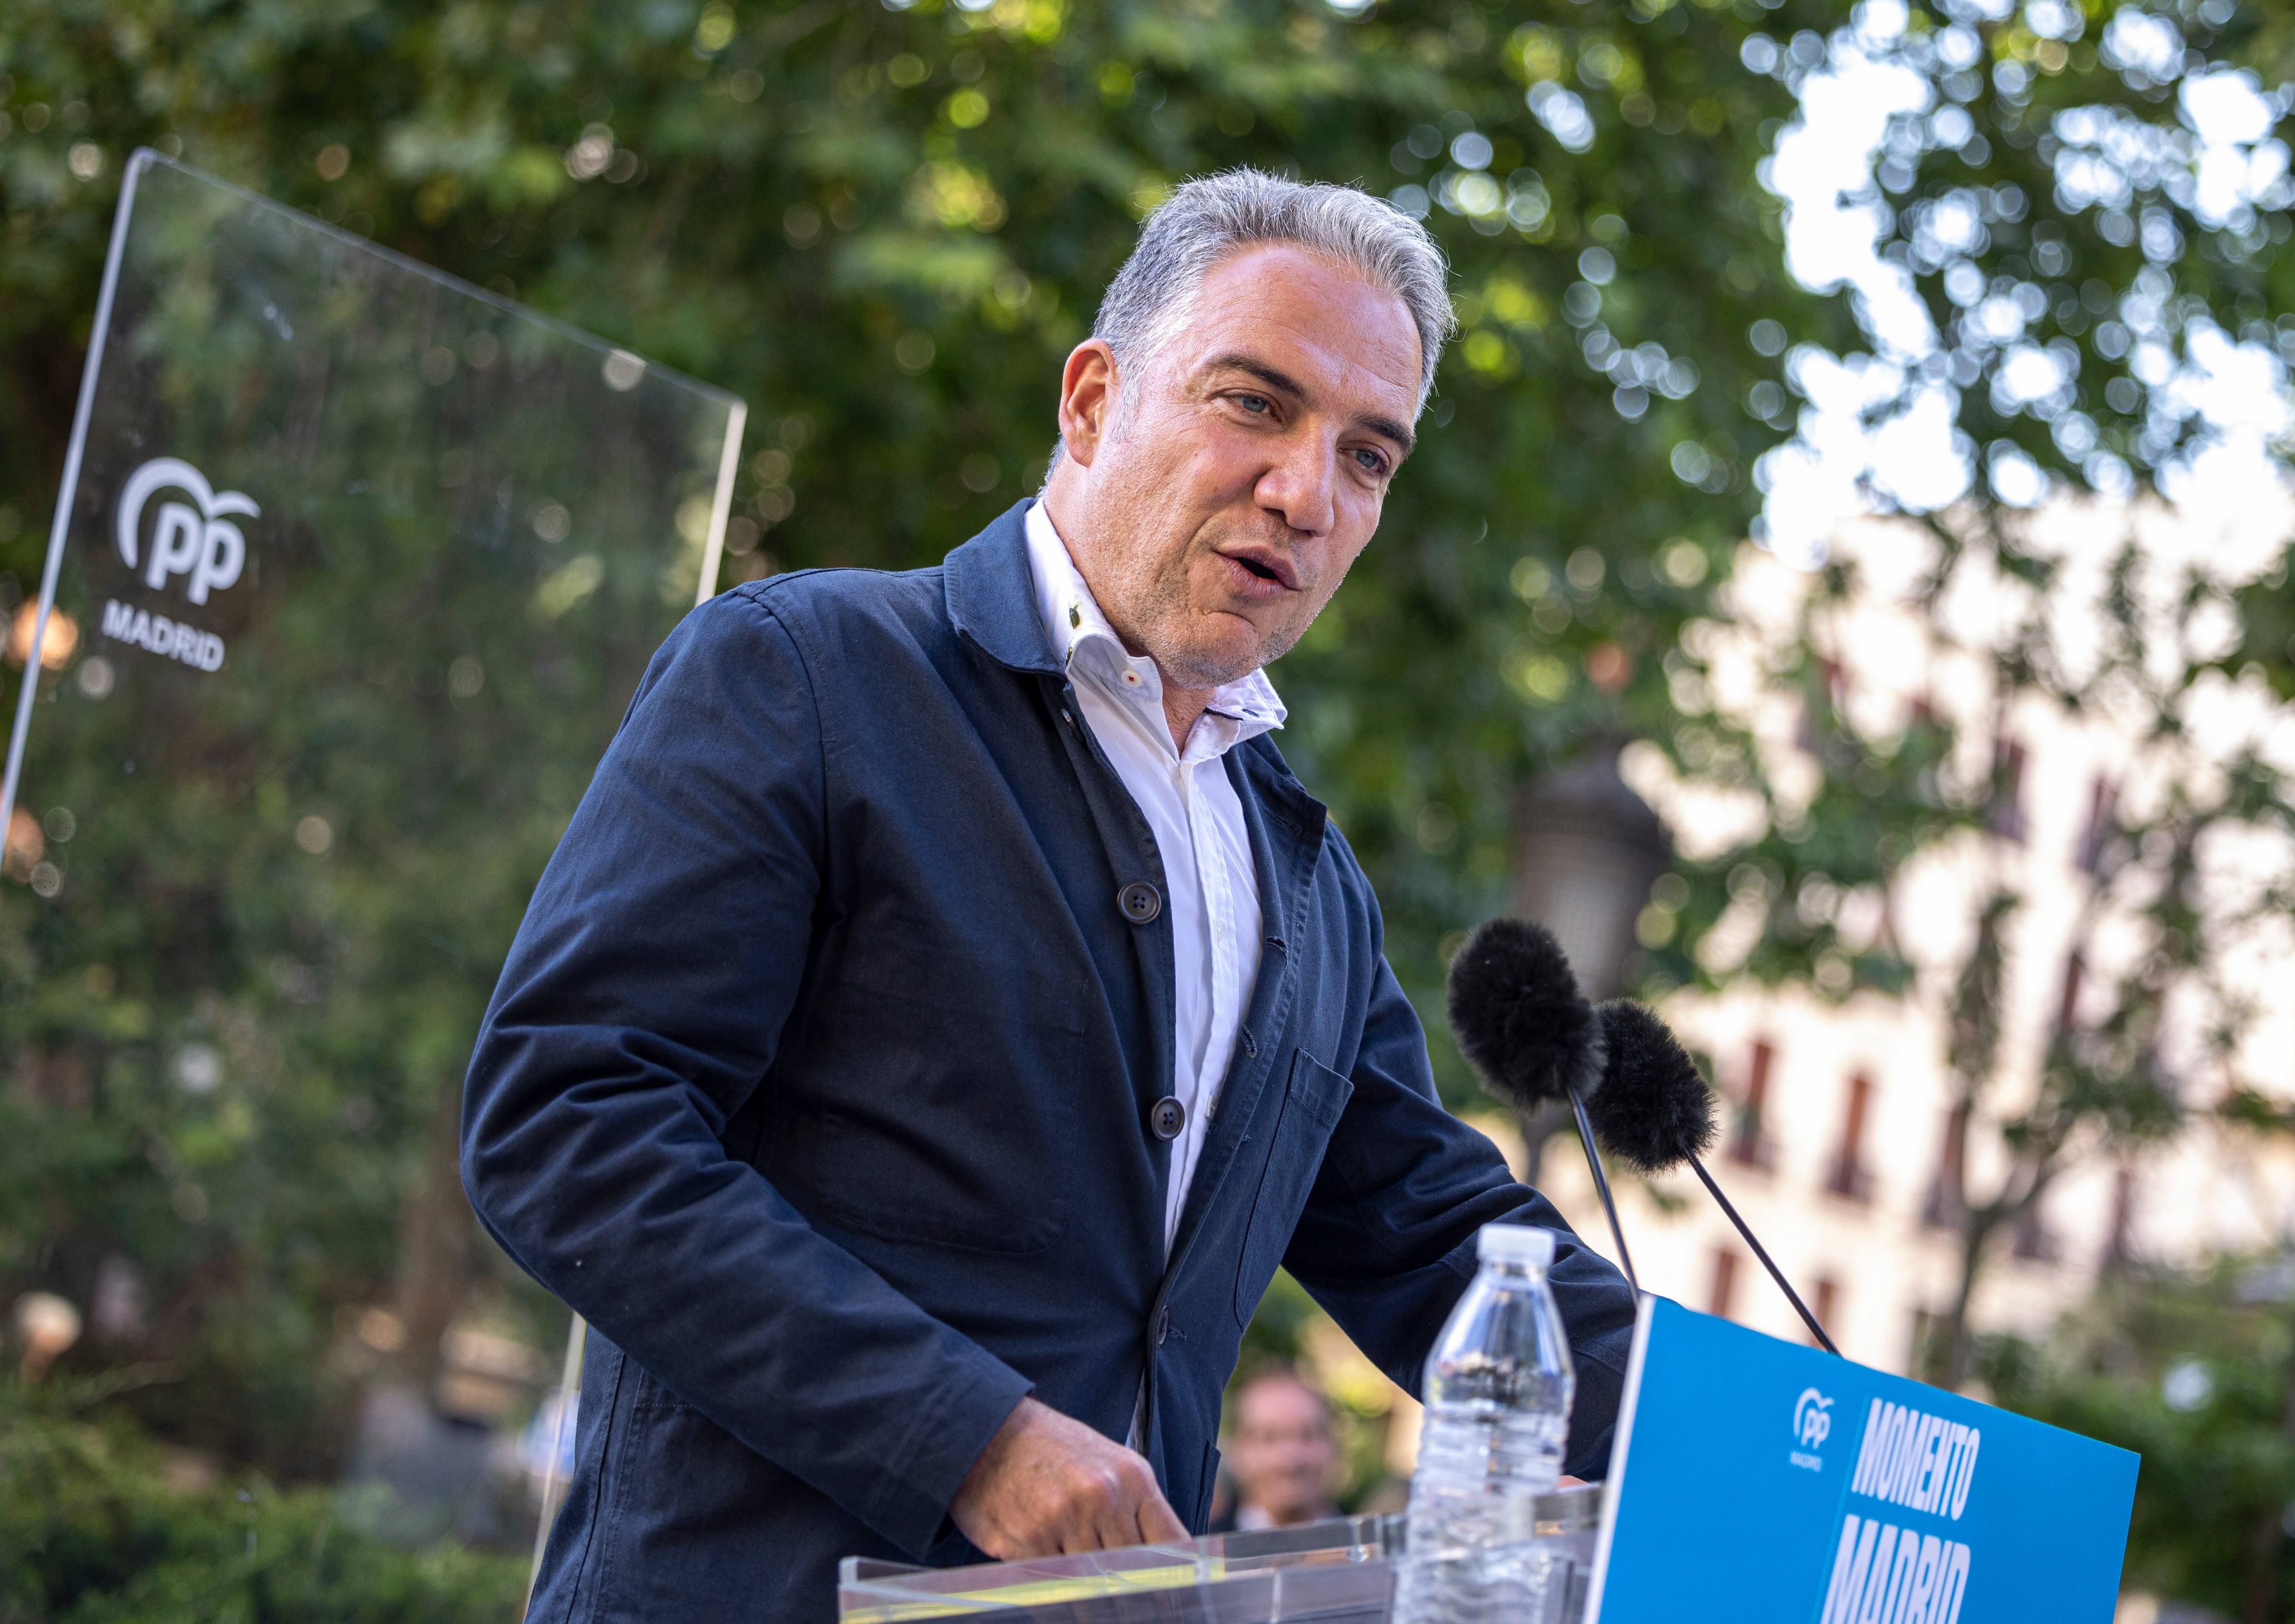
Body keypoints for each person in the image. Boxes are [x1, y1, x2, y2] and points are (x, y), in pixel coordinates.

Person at [459, 169, 1637, 1624]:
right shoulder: (804, 674)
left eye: (1368, 457)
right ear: (1089, 400)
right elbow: (566, 1120)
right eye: (1253, 403)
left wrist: (1774, 1438)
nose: (1306, 492)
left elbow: (1429, 1229)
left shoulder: (1307, 877)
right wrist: (968, 1433)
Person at [1213, 1368, 1343, 1532]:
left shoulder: (1374, 1549)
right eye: (1269, 1438)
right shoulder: (1197, 1553)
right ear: (1237, 1450)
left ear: (1335, 1446)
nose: (1289, 1459)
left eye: (1308, 1435)